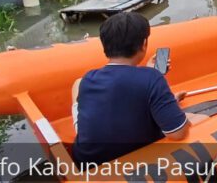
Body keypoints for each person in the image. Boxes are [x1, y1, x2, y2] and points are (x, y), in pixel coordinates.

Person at [71, 12, 207, 165]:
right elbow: (177, 133)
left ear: (105, 45)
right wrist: (169, 100)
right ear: (144, 44)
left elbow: (122, 91)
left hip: (85, 160)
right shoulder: (152, 78)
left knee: (78, 84)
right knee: (200, 118)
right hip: (127, 163)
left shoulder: (89, 78)